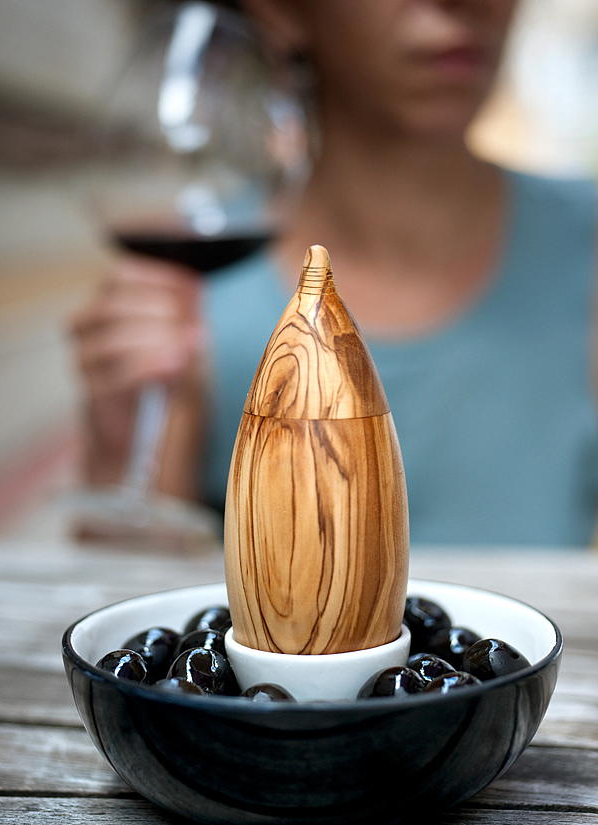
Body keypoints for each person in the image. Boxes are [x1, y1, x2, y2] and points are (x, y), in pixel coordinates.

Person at [71, 0, 598, 545]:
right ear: (282, 12)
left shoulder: (585, 245)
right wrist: (124, 455)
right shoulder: (188, 293)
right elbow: (142, 603)